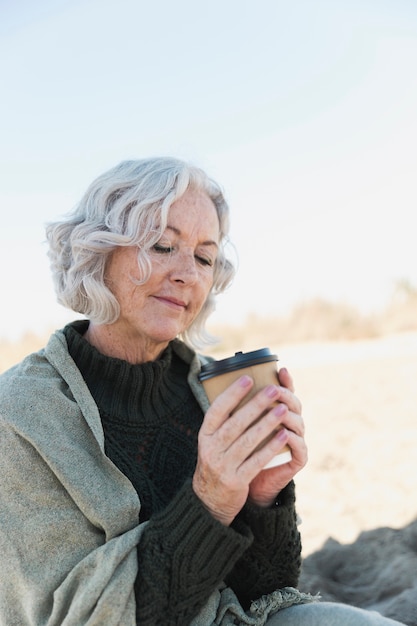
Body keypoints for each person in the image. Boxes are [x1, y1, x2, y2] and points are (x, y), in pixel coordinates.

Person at [0, 158, 405, 626]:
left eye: (204, 257)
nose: (188, 274)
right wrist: (211, 499)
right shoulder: (20, 417)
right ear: (98, 253)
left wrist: (260, 497)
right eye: (162, 244)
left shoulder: (212, 390)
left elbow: (269, 590)